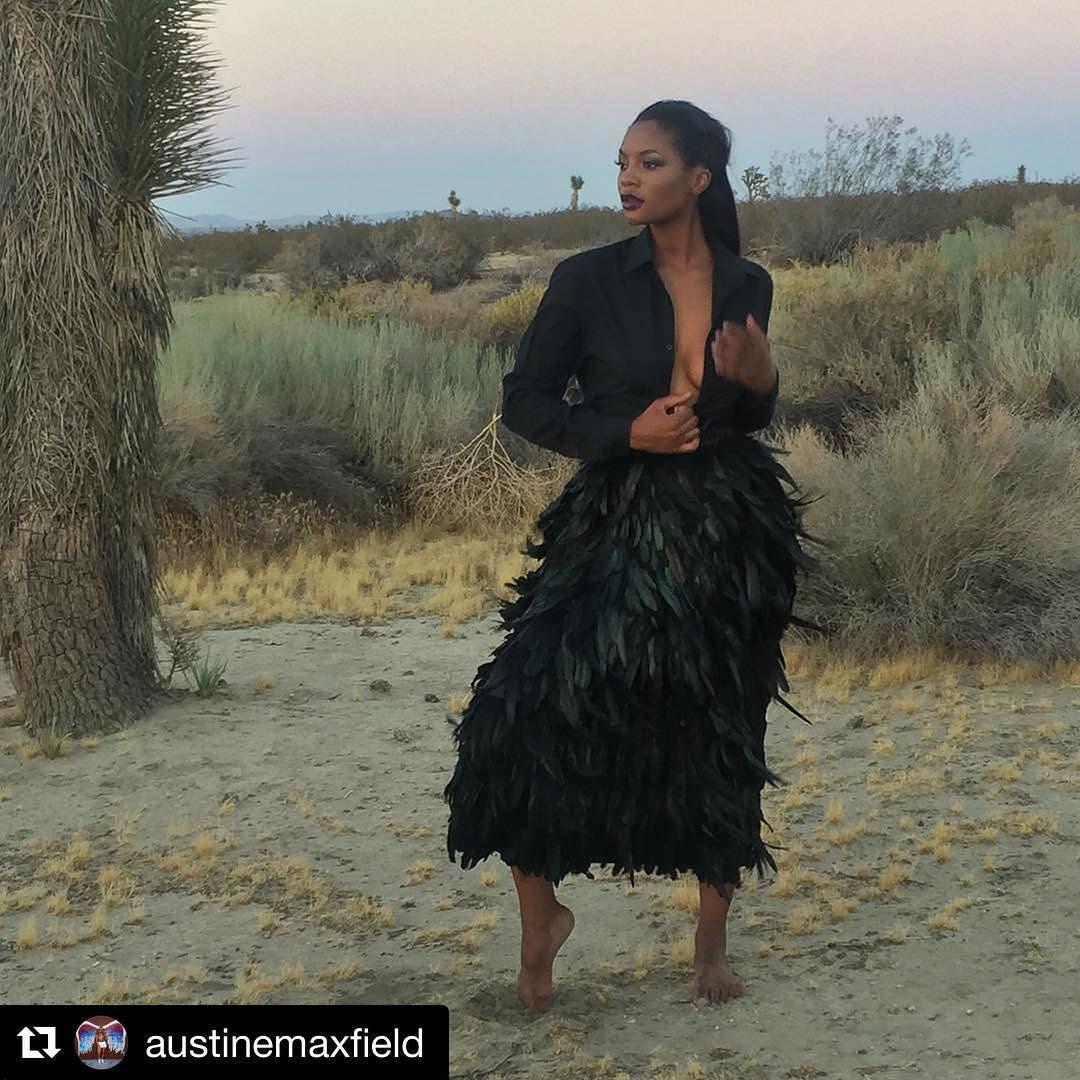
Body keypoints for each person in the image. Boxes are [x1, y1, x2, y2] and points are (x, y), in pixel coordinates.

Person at [444, 99, 826, 1013]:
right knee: (519, 709)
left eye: (649, 162)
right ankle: (542, 919)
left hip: (728, 525)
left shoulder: (747, 281)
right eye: (621, 161)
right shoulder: (585, 280)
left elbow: (744, 413)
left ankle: (710, 942)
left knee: (721, 719)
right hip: (616, 518)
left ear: (698, 177)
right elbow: (527, 401)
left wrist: (761, 383)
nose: (627, 177)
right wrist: (626, 433)